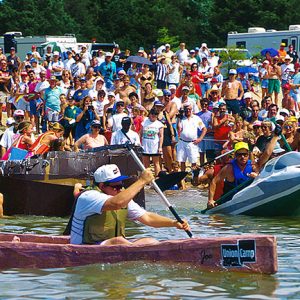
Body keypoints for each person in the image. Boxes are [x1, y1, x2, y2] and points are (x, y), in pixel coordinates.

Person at [70, 164, 190, 245]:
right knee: (118, 241)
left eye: (121, 185)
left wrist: (173, 223)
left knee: (149, 241)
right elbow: (116, 203)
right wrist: (142, 181)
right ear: (102, 186)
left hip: (111, 246)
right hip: (85, 246)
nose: (120, 189)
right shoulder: (89, 196)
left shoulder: (121, 197)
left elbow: (147, 217)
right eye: (115, 186)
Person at [208, 130, 282, 208]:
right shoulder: (229, 168)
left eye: (245, 154)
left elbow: (267, 153)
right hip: (229, 202)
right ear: (235, 155)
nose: (242, 157)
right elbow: (214, 182)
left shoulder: (254, 165)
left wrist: (275, 136)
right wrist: (210, 200)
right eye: (240, 154)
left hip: (247, 200)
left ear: (248, 154)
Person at [176, 102, 207, 172]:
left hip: (192, 143)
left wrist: (200, 139)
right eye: (186, 109)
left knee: (193, 161)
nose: (188, 111)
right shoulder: (182, 118)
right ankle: (182, 176)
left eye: (189, 109)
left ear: (192, 109)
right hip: (182, 142)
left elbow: (204, 129)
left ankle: (194, 176)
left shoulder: (196, 118)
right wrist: (178, 118)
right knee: (182, 161)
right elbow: (179, 129)